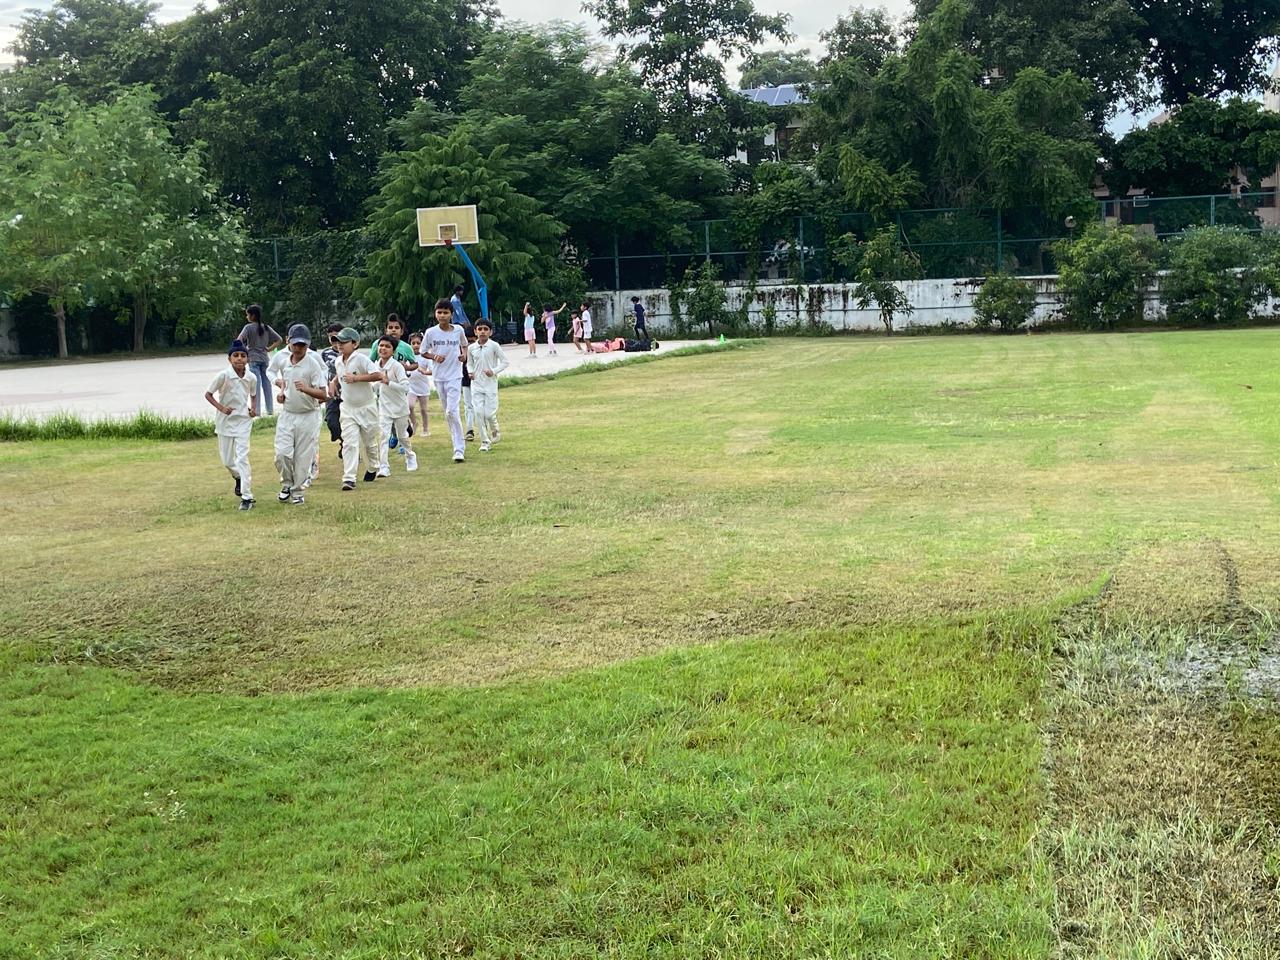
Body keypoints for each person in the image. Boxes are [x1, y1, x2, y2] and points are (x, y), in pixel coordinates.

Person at [272, 324, 329, 504]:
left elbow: (323, 394)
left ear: (308, 345)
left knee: (303, 457)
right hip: (288, 414)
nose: (299, 348)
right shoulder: (283, 361)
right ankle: (287, 483)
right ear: (288, 341)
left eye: (303, 345)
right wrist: (281, 394)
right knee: (282, 454)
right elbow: (283, 385)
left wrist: (306, 389)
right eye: (296, 344)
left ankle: (297, 492)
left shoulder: (313, 364)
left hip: (308, 415)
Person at [204, 339, 258, 510]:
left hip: (243, 421)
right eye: (236, 356)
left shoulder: (251, 377)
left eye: (243, 356)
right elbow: (208, 394)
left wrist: (253, 409)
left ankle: (247, 497)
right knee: (228, 461)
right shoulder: (224, 376)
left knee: (242, 457)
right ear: (229, 359)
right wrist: (222, 408)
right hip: (225, 422)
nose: (239, 359)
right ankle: (238, 478)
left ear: (247, 359)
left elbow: (254, 394)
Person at [330, 327, 384, 490]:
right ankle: (349, 478)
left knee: (369, 443)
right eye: (337, 342)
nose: (339, 345)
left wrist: (357, 378)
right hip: (347, 408)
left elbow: (378, 375)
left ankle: (373, 466)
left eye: (343, 342)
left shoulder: (361, 359)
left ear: (355, 343)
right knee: (349, 443)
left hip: (366, 407)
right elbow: (340, 375)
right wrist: (333, 383)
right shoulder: (338, 361)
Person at [420, 298, 469, 463]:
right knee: (448, 413)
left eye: (445, 312)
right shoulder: (431, 332)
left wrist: (464, 356)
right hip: (439, 376)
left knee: (452, 411)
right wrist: (434, 356)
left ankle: (459, 449)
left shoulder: (458, 330)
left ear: (451, 314)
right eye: (439, 312)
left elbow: (464, 344)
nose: (442, 315)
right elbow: (423, 351)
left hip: (455, 375)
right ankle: (456, 440)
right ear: (435, 314)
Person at [466, 318, 510, 452]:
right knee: (478, 413)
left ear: (490, 332)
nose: (482, 332)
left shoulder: (494, 346)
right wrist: (470, 372)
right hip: (476, 384)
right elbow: (469, 363)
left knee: (489, 414)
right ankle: (485, 441)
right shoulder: (471, 348)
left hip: (490, 384)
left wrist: (493, 371)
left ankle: (495, 427)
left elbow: (505, 362)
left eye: (485, 329)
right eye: (480, 329)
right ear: (475, 331)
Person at [375, 335, 416, 475]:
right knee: (383, 436)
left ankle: (410, 456)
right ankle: (384, 467)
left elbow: (405, 387)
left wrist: (388, 382)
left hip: (399, 407)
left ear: (393, 350)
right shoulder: (376, 365)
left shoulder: (396, 366)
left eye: (387, 346)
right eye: (381, 346)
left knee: (402, 436)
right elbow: (374, 385)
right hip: (384, 408)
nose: (383, 349)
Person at [237, 304, 282, 415]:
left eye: (247, 315)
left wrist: (245, 351)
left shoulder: (248, 328)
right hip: (264, 358)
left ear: (252, 316)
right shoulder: (266, 327)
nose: (246, 317)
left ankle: (256, 410)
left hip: (253, 359)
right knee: (267, 385)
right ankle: (270, 410)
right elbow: (279, 339)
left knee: (255, 385)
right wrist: (269, 348)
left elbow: (239, 340)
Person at [320, 321, 344, 458]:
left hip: (347, 394)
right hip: (331, 394)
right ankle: (342, 441)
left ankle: (348, 446)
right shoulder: (325, 353)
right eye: (331, 337)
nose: (335, 341)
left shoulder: (348, 352)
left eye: (337, 337)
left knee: (347, 422)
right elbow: (321, 372)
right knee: (331, 421)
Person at [406, 331, 432, 438]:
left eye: (418, 343)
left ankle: (426, 429)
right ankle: (414, 422)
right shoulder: (408, 356)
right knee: (409, 406)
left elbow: (432, 370)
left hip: (423, 387)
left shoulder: (425, 357)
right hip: (411, 386)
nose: (416, 345)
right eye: (413, 343)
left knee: (423, 410)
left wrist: (424, 372)